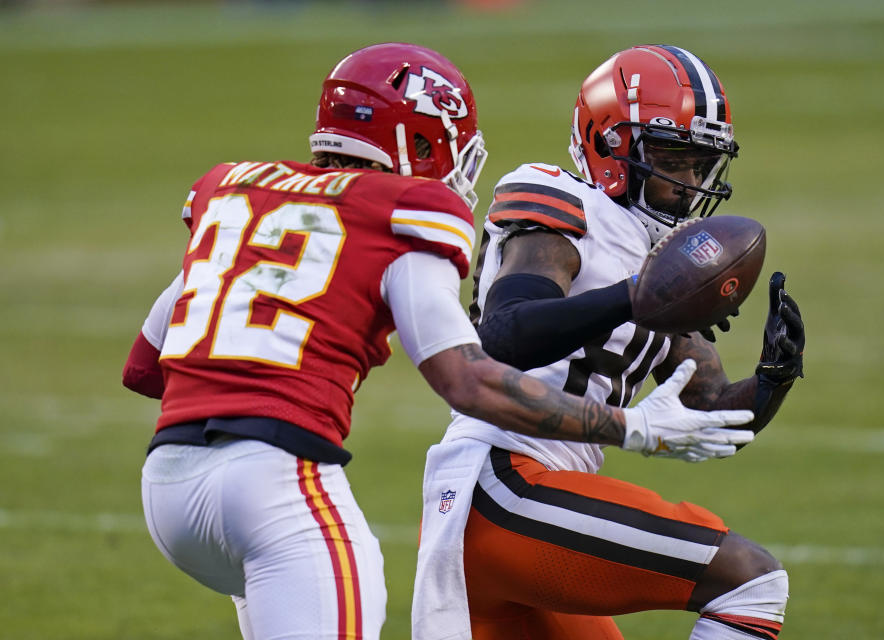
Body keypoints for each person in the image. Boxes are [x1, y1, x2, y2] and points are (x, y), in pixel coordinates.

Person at [121, 42, 757, 640]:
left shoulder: (239, 194)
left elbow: (146, 365)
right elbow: (472, 376)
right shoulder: (407, 211)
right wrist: (631, 427)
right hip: (279, 480)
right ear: (417, 140)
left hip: (168, 483)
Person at [412, 44, 805, 640]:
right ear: (610, 145)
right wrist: (634, 293)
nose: (689, 183)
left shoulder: (657, 256)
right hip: (501, 481)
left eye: (702, 166)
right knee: (751, 581)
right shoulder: (566, 204)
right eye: (675, 158)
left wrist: (773, 379)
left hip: (531, 500)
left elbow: (709, 414)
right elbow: (504, 334)